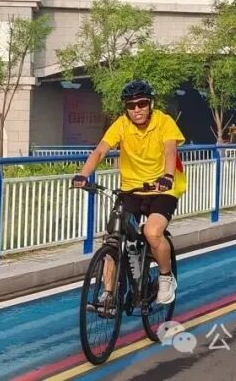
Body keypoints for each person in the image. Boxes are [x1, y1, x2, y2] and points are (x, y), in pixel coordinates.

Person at [72, 79, 186, 306]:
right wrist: (83, 175)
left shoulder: (164, 121)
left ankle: (165, 277)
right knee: (113, 238)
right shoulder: (122, 124)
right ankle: (108, 294)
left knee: (152, 233)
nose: (137, 110)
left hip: (162, 188)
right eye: (131, 106)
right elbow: (100, 151)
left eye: (142, 104)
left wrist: (167, 176)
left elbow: (170, 150)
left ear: (150, 104)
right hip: (131, 189)